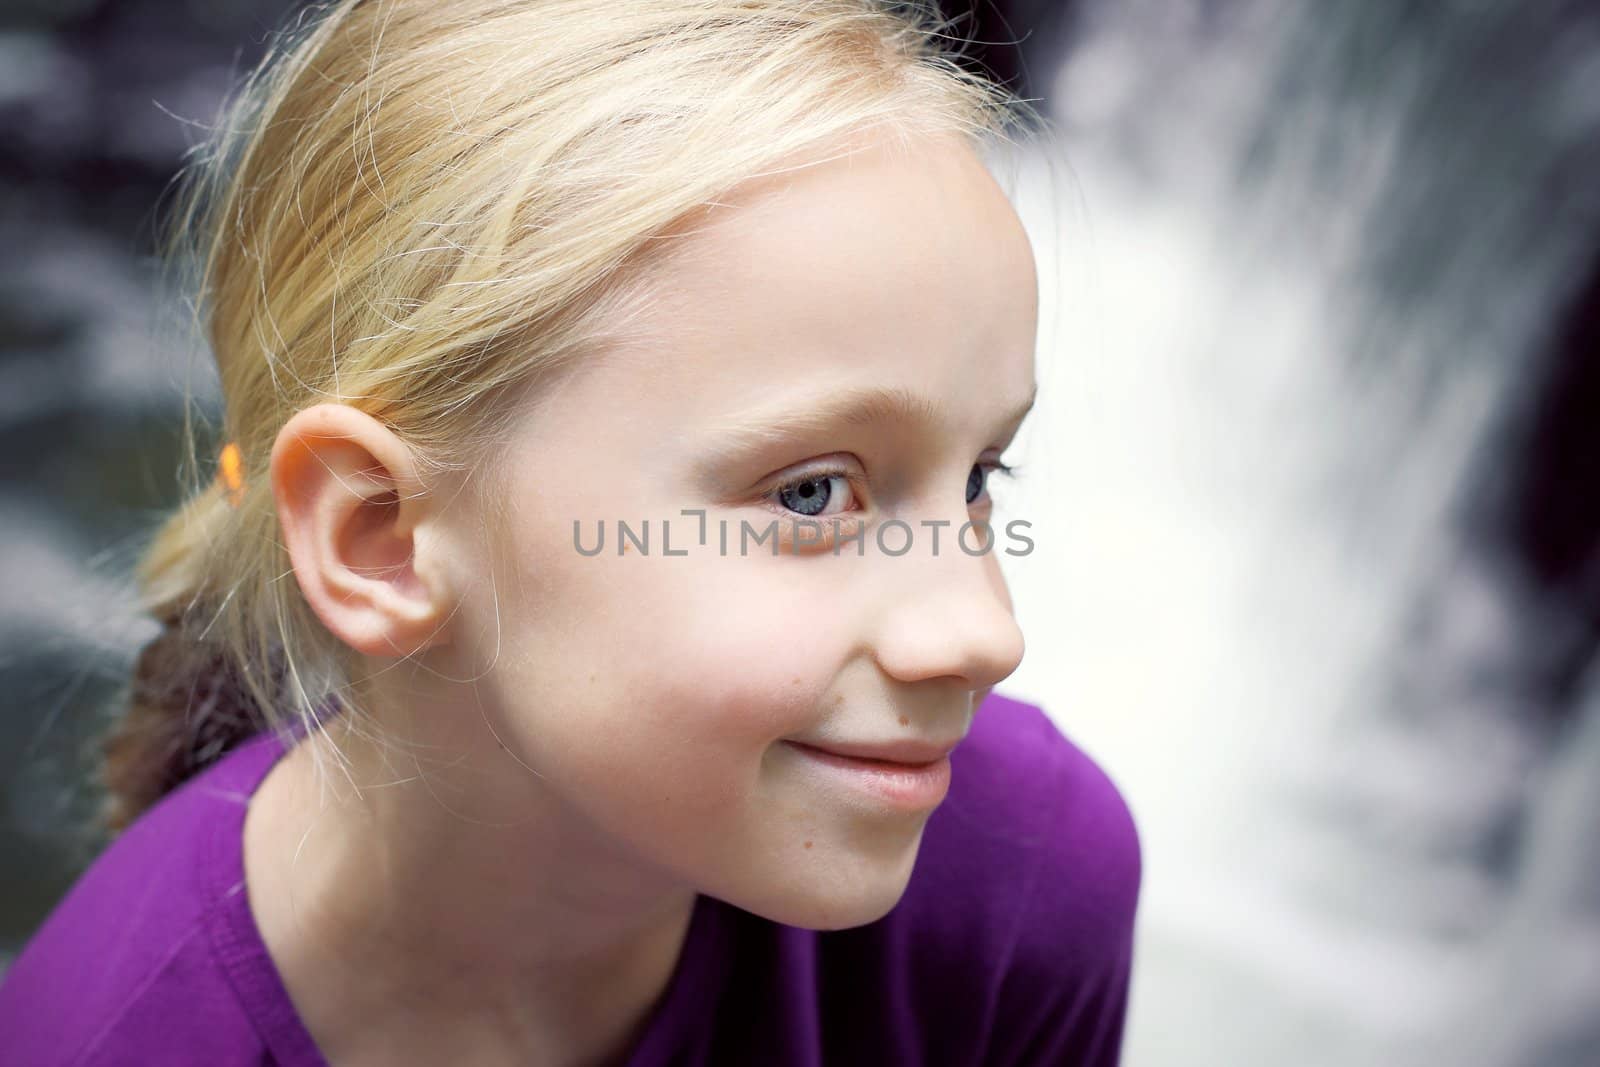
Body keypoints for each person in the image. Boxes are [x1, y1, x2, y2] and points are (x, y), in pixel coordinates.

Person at [0, 1, 1142, 1063]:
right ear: (381, 538)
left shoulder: (1022, 885)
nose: (985, 632)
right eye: (810, 493)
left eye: (982, 473)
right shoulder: (112, 1035)